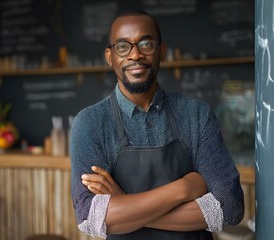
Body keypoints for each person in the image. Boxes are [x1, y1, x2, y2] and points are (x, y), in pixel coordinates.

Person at [70, 9, 244, 240]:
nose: (135, 55)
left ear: (161, 51)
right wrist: (183, 189)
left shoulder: (196, 114)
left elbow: (230, 207)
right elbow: (90, 217)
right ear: (110, 56)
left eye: (145, 44)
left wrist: (123, 205)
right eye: (123, 46)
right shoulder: (90, 123)